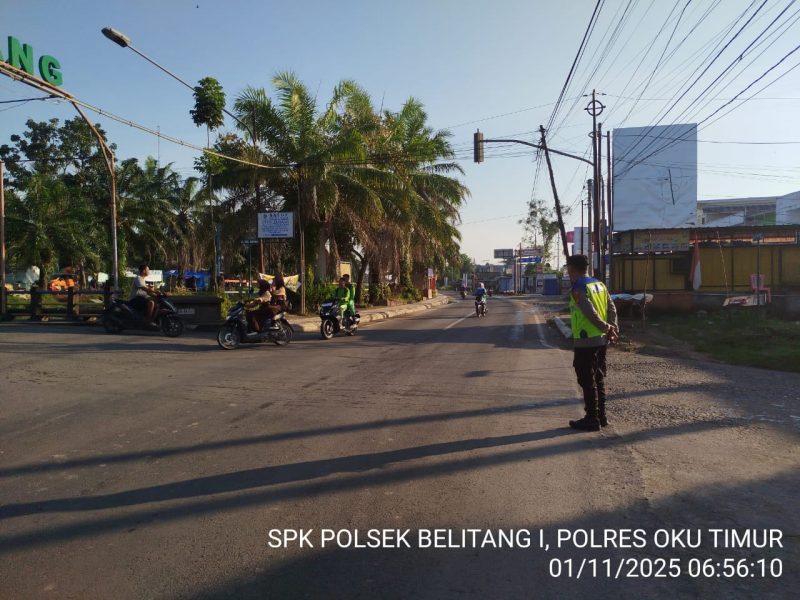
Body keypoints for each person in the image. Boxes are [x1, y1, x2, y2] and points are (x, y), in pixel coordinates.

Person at [566, 254, 619, 432]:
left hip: (586, 341)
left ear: (571, 268)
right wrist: (612, 328)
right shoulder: (599, 284)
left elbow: (589, 312)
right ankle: (601, 416)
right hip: (601, 340)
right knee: (598, 377)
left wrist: (606, 327)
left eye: (568, 268)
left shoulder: (578, 287)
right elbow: (611, 308)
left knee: (586, 379)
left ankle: (591, 418)